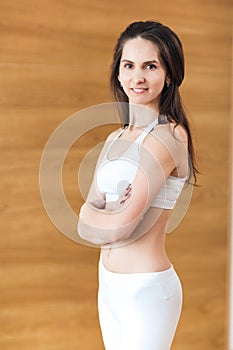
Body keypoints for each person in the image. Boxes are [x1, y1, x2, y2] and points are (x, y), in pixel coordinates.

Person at [77, 20, 198, 350]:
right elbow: (81, 221)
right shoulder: (114, 137)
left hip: (146, 292)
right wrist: (99, 214)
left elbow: (121, 228)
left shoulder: (170, 136)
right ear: (118, 72)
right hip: (109, 284)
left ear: (169, 74)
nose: (137, 77)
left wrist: (101, 213)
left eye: (150, 66)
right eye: (128, 65)